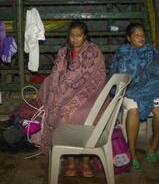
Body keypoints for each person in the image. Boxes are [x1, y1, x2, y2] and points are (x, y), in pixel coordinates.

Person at [14, 21, 107, 178]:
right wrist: (61, 92)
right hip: (65, 95)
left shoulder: (94, 52)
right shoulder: (64, 52)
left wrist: (74, 92)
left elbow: (96, 78)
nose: (75, 39)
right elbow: (56, 75)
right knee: (60, 110)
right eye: (72, 36)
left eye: (79, 36)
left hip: (89, 96)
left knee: (81, 114)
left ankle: (85, 159)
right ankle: (70, 159)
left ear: (85, 36)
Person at [109, 22, 159, 171]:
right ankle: (132, 152)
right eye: (136, 35)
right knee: (134, 111)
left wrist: (151, 84)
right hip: (130, 90)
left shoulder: (152, 51)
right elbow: (121, 74)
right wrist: (137, 80)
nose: (140, 37)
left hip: (151, 89)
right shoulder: (123, 52)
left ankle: (154, 147)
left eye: (142, 35)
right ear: (129, 38)